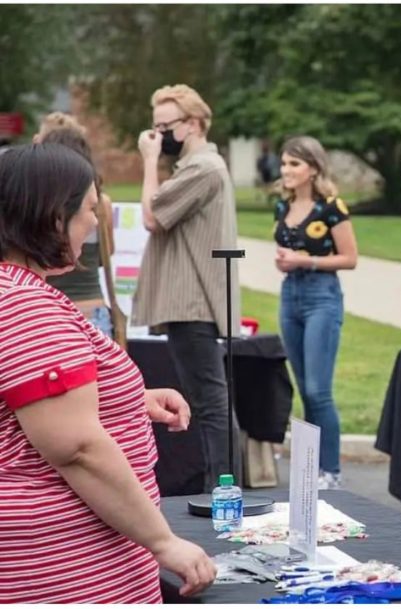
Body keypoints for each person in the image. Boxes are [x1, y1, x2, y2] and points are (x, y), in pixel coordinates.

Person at [0, 143, 214, 602]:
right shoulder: (27, 307)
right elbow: (77, 447)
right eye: (90, 210)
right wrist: (163, 541)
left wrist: (129, 400)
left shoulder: (17, 292)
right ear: (56, 216)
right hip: (62, 570)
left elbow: (30, 407)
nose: (96, 223)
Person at [132, 84, 242, 491]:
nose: (157, 137)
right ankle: (225, 491)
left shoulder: (203, 169)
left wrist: (148, 162)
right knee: (210, 402)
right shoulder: (197, 168)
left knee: (212, 405)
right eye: (154, 129)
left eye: (165, 127)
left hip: (192, 302)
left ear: (193, 124)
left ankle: (226, 493)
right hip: (189, 301)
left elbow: (151, 216)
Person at [273, 135, 358, 490]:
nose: (286, 170)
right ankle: (310, 469)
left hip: (322, 297)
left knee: (318, 389)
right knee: (303, 390)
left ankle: (331, 472)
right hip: (290, 296)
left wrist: (305, 260)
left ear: (313, 168)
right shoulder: (282, 206)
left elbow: (350, 258)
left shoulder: (331, 207)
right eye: (284, 163)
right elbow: (284, 255)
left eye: (294, 163)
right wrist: (286, 263)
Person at [35, 123, 120, 341]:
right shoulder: (101, 203)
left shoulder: (38, 206)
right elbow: (106, 254)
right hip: (92, 308)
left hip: (49, 312)